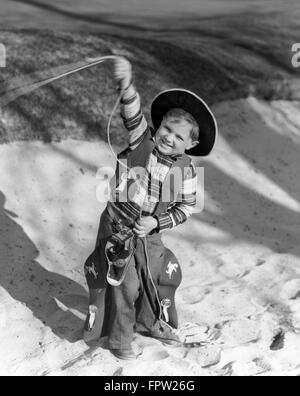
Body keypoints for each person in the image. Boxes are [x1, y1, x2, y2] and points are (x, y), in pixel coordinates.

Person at [83, 57, 218, 360]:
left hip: (152, 234)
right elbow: (131, 112)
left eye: (179, 136)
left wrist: (157, 223)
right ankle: (119, 339)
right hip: (120, 228)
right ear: (159, 126)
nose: (169, 137)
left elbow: (186, 207)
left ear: (191, 145)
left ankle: (150, 322)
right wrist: (126, 83)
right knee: (126, 285)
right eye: (167, 129)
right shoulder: (140, 140)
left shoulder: (186, 170)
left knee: (153, 281)